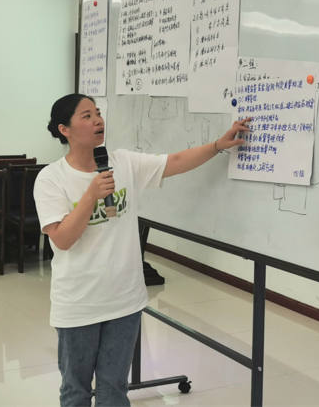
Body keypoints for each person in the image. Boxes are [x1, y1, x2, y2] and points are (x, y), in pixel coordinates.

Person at [34, 93, 250, 407]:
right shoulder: (51, 178)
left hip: (125, 299)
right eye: (86, 116)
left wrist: (218, 145)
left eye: (98, 113)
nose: (98, 121)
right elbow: (63, 239)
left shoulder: (122, 162)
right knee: (76, 391)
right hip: (79, 303)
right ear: (64, 129)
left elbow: (175, 162)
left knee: (114, 388)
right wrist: (91, 195)